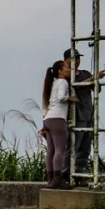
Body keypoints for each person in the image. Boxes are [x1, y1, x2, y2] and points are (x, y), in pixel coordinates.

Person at [61, 48, 105, 183]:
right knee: (73, 146)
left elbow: (95, 89)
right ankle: (66, 174)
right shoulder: (66, 75)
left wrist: (96, 82)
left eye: (78, 58)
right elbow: (75, 87)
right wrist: (93, 78)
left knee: (85, 147)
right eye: (74, 58)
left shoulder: (85, 73)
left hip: (89, 114)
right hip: (76, 115)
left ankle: (79, 173)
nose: (77, 61)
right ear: (66, 60)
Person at [40, 58, 77, 189]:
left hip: (48, 119)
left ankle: (50, 179)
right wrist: (71, 98)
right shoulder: (62, 82)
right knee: (60, 150)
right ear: (60, 71)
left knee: (50, 150)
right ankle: (57, 179)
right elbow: (61, 97)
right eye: (67, 68)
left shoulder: (54, 83)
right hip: (57, 118)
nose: (70, 70)